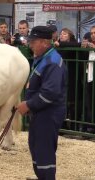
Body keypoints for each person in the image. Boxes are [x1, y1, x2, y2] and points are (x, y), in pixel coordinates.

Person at [17, 26, 67, 180]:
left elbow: (50, 93)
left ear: (45, 42)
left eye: (33, 42)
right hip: (40, 112)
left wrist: (29, 105)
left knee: (44, 151)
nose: (30, 45)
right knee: (36, 146)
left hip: (49, 113)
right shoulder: (43, 58)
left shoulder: (52, 62)